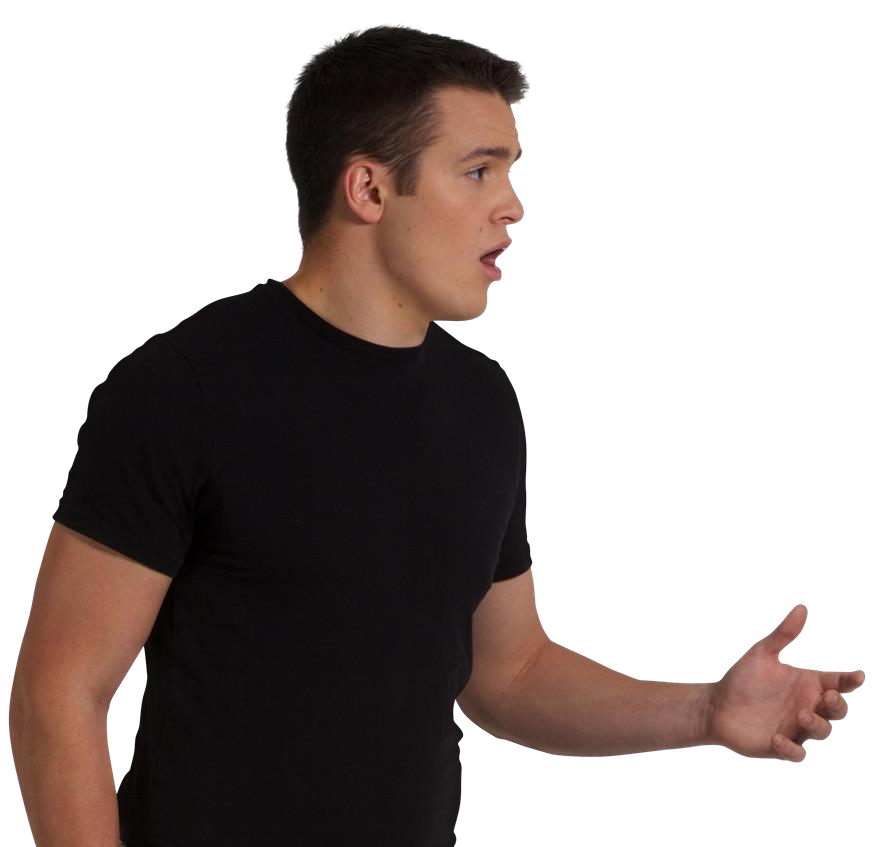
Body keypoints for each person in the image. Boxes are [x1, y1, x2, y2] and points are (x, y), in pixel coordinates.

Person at [10, 24, 530, 846]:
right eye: (478, 171)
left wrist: (706, 709)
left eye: (509, 171)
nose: (512, 205)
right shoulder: (183, 388)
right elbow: (59, 693)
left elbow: (512, 673)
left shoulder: (484, 403)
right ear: (368, 188)